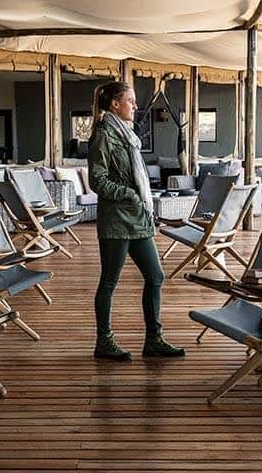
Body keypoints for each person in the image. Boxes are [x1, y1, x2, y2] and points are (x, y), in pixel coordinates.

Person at [88, 81, 185, 361]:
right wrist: (129, 194)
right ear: (115, 104)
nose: (135, 106)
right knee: (109, 282)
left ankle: (154, 339)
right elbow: (98, 181)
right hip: (117, 220)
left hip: (138, 218)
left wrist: (140, 199)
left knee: (155, 276)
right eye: (130, 101)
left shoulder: (128, 135)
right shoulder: (104, 135)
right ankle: (104, 342)